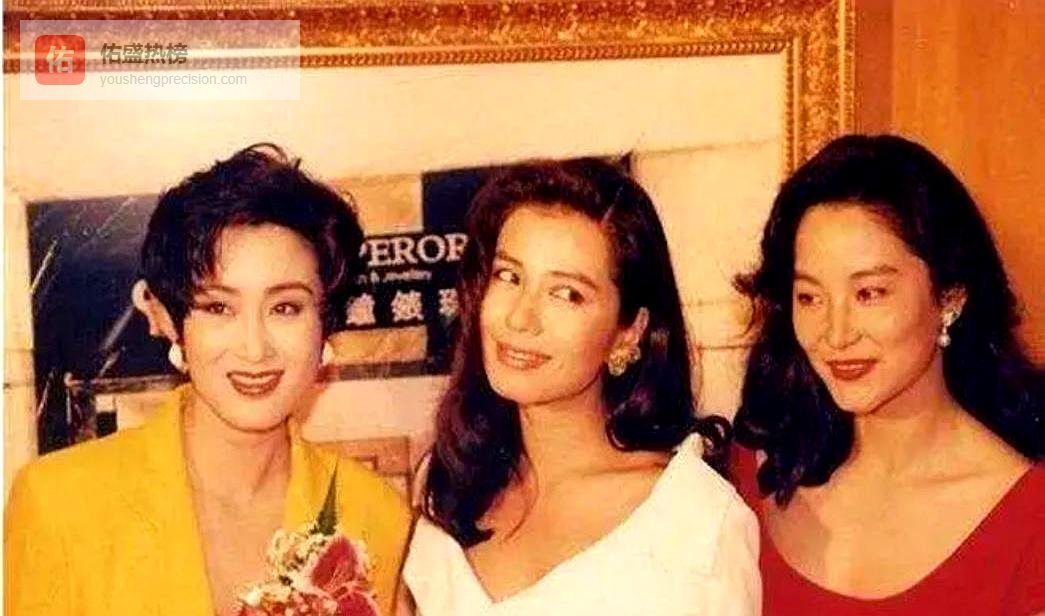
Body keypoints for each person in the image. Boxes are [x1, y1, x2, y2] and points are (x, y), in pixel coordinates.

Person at [4, 144, 411, 616]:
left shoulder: (376, 516)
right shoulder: (58, 503)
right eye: (218, 307)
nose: (254, 348)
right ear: (171, 321)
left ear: (326, 324)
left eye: (285, 308)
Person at [404, 158, 761, 615]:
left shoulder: (693, 518)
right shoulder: (446, 487)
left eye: (566, 294)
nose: (520, 318)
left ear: (628, 332)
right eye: (509, 276)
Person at [732, 134, 1044, 615]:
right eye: (810, 297)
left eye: (870, 294)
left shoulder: (1028, 523)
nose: (835, 334)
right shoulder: (751, 476)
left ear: (950, 297)